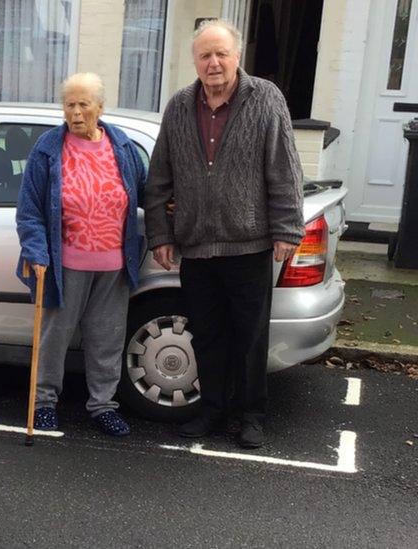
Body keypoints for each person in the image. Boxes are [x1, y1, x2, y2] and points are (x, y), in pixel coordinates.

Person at [144, 19, 304, 448]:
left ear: (237, 57)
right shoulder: (179, 105)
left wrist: (288, 228)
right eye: (204, 55)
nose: (213, 63)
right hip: (197, 247)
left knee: (250, 338)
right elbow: (159, 177)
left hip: (249, 245)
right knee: (209, 336)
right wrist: (161, 234)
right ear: (195, 61)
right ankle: (212, 410)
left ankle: (251, 415)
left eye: (221, 54)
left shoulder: (265, 98)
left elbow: (285, 169)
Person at [16, 72, 147, 436]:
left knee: (107, 337)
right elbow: (29, 210)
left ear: (100, 108)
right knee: (54, 337)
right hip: (65, 264)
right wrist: (37, 251)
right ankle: (43, 402)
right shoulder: (47, 148)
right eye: (69, 104)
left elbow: (147, 191)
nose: (75, 113)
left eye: (83, 104)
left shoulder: (122, 147)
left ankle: (103, 405)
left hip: (114, 265)